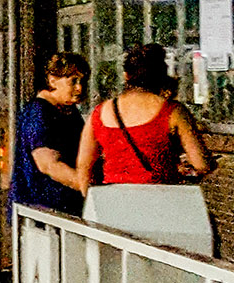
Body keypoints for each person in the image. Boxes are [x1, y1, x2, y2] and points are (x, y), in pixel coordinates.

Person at [77, 44, 212, 190]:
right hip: (162, 198)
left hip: (115, 201)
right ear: (162, 76)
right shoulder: (173, 111)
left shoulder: (100, 112)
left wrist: (89, 201)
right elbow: (201, 164)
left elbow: (84, 166)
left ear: (126, 76)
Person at [11, 52, 90, 216]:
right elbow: (47, 164)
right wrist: (84, 185)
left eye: (83, 81)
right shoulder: (39, 113)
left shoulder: (68, 111)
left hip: (62, 208)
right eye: (73, 81)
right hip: (43, 210)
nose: (79, 88)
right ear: (52, 79)